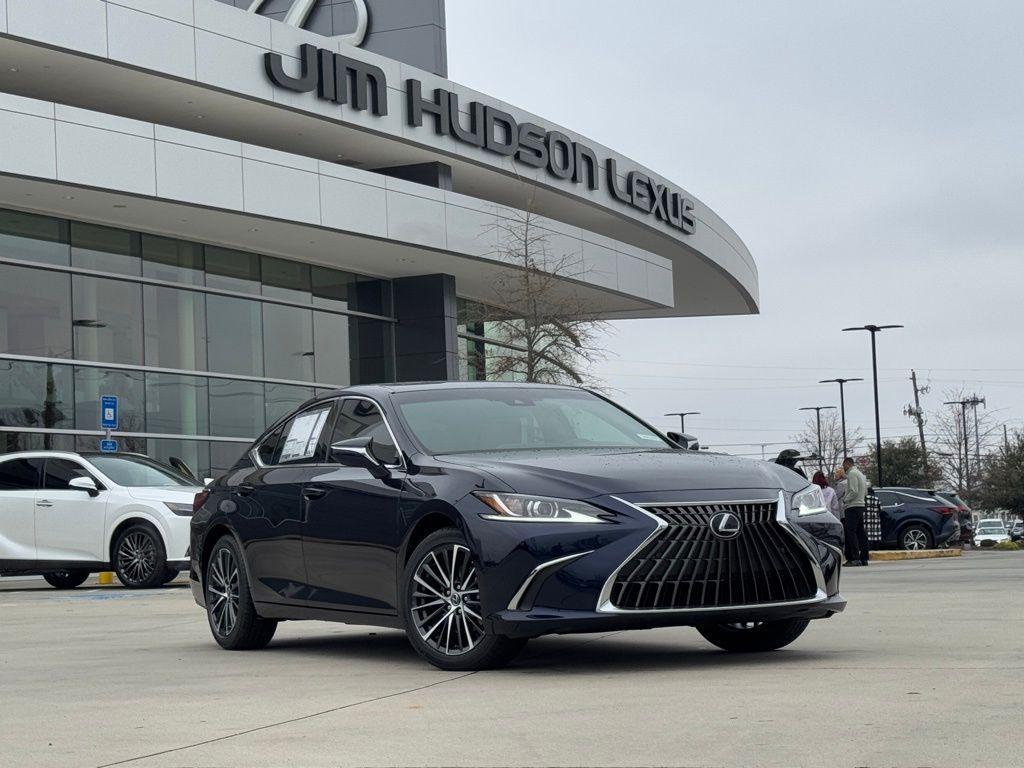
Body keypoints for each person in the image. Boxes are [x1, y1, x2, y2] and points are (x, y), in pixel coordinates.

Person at [841, 456, 870, 566]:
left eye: (844, 466)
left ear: (847, 464)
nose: (843, 468)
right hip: (861, 505)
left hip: (852, 506)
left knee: (850, 532)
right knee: (861, 532)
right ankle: (864, 558)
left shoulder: (852, 474)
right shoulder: (861, 474)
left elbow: (853, 491)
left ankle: (854, 558)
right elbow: (865, 492)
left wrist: (845, 500)